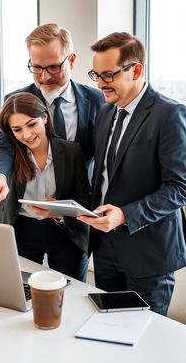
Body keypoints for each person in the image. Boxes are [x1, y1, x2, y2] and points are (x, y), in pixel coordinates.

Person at [77, 32, 186, 315]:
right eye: (96, 74)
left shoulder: (171, 114)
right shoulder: (105, 112)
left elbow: (179, 188)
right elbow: (101, 177)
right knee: (107, 330)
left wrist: (125, 215)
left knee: (144, 343)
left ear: (136, 70)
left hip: (148, 254)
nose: (100, 83)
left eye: (108, 75)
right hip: (104, 248)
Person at [0, 23, 105, 205]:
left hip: (75, 211)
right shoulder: (15, 100)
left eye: (53, 67)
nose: (44, 77)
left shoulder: (98, 100)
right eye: (37, 67)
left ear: (72, 60)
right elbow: (2, 145)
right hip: (25, 208)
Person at [0, 92, 91, 282]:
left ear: (44, 118)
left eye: (31, 124)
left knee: (72, 289)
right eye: (17, 129)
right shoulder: (10, 155)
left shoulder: (72, 151)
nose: (26, 135)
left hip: (64, 231)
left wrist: (59, 212)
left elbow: (84, 198)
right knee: (20, 289)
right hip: (20, 229)